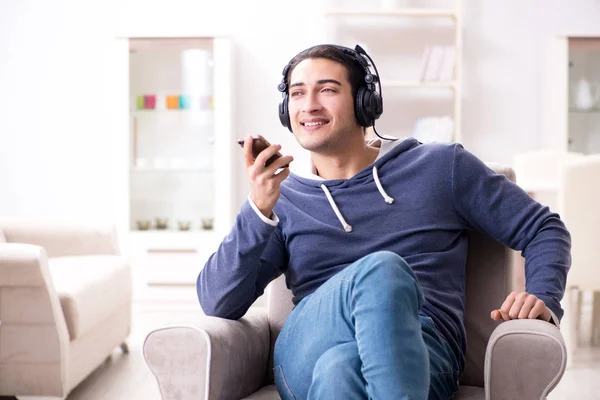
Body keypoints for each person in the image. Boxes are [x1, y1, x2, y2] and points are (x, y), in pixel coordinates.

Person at [196, 44, 571, 400]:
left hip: (425, 348)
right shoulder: (285, 198)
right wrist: (258, 209)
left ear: (365, 103)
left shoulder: (441, 167)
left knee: (341, 367)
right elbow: (218, 302)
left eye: (327, 90)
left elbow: (543, 227)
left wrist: (544, 294)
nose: (309, 105)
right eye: (296, 94)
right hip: (307, 346)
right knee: (382, 271)